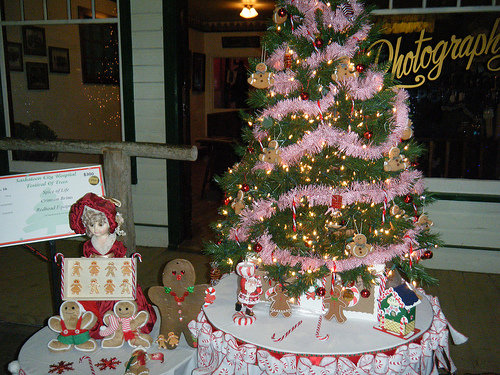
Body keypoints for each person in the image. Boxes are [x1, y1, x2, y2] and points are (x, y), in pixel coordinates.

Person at [69, 193, 156, 339]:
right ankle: (102, 324)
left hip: (114, 278)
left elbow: (120, 258)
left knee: (122, 299)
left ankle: (125, 324)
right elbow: (87, 259)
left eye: (100, 224)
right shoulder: (88, 245)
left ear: (110, 223)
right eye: (92, 225)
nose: (96, 229)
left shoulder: (115, 244)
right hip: (96, 278)